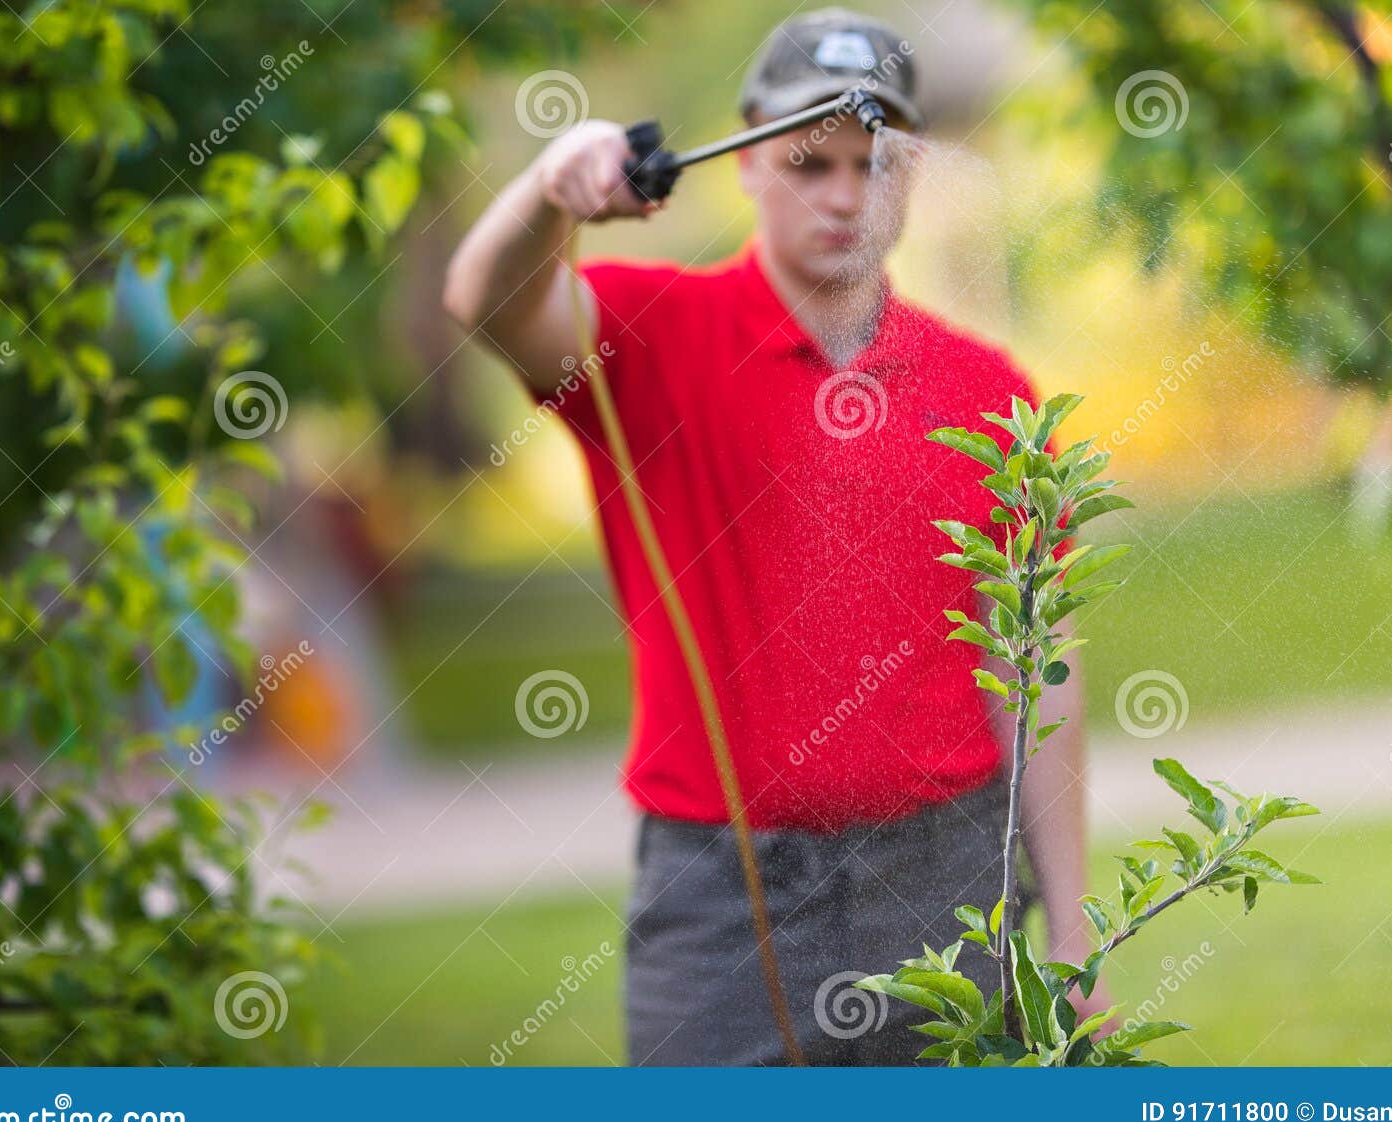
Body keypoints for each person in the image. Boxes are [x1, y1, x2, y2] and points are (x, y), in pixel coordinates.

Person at [443, 7, 1109, 1065]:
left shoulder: (989, 393)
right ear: (748, 154)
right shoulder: (645, 334)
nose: (845, 195)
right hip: (724, 896)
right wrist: (547, 187)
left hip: (948, 881)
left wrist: (1072, 924)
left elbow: (1036, 667)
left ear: (914, 169)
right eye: (809, 162)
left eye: (872, 162)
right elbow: (483, 299)